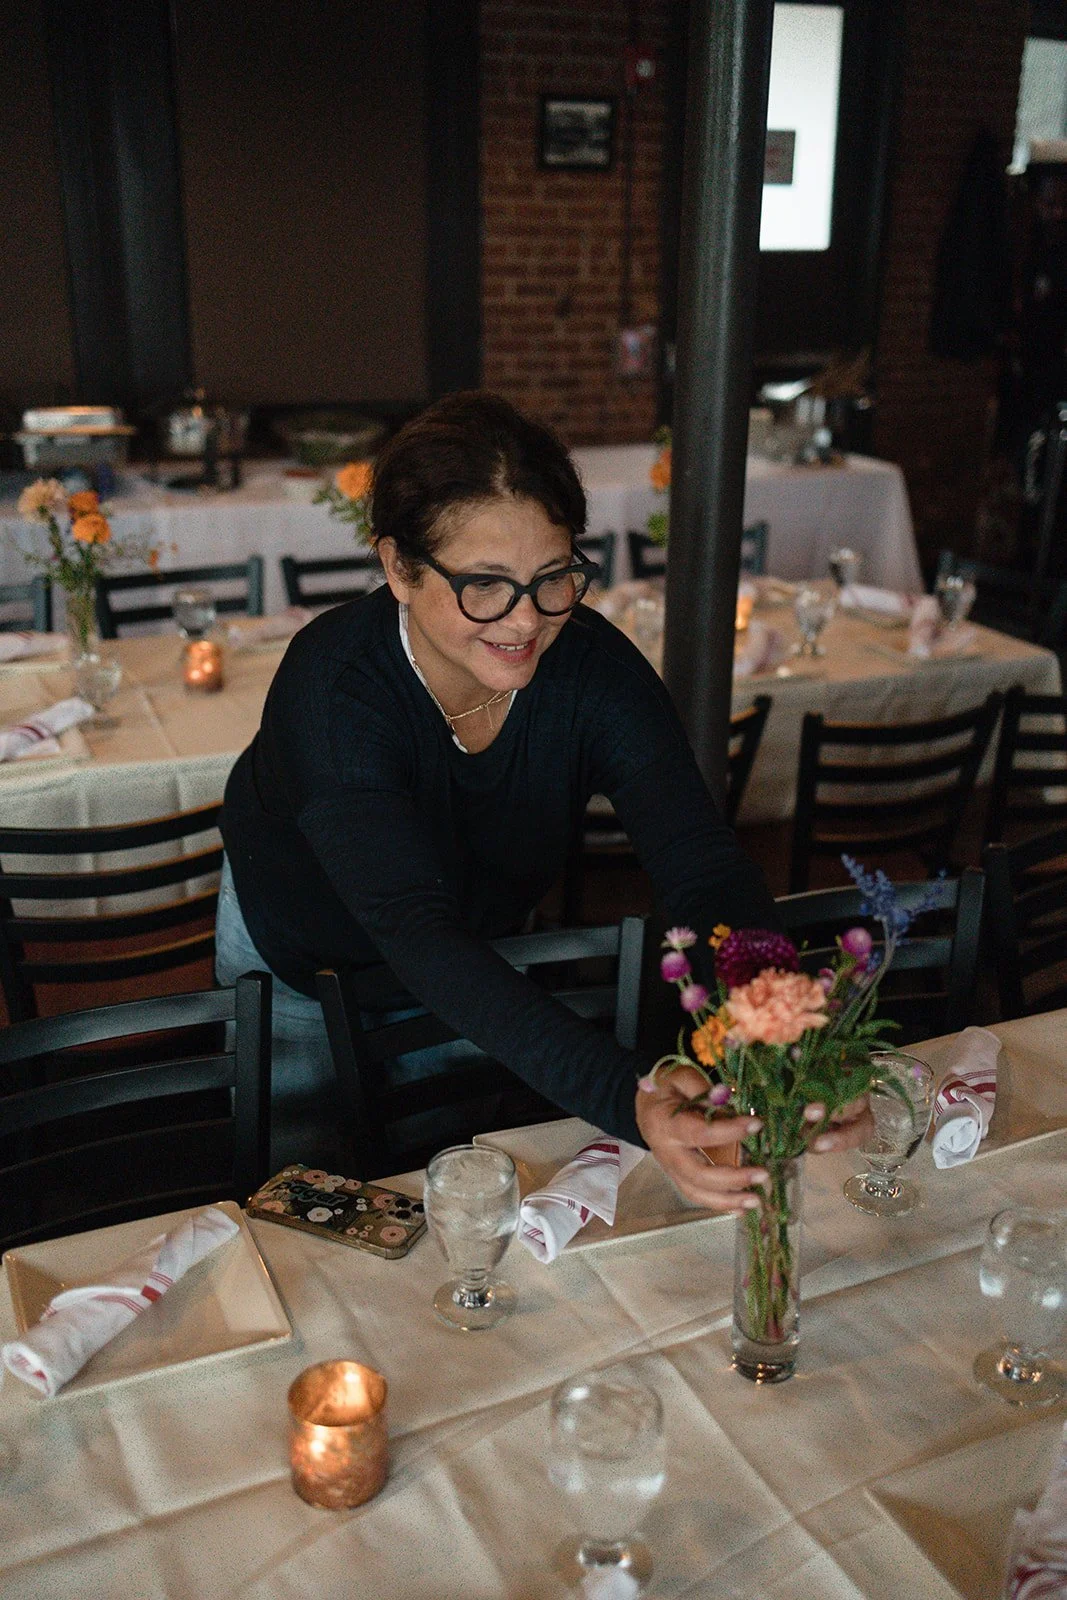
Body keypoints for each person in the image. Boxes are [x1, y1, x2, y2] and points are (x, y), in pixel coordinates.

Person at [217, 391, 868, 1204]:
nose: (525, 621)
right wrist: (629, 1094)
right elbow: (415, 928)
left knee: (455, 1181)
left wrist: (784, 1030)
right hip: (303, 953)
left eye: (553, 577)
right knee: (304, 1198)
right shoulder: (333, 689)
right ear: (398, 568)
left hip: (477, 951)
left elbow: (701, 866)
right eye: (485, 585)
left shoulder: (591, 670)